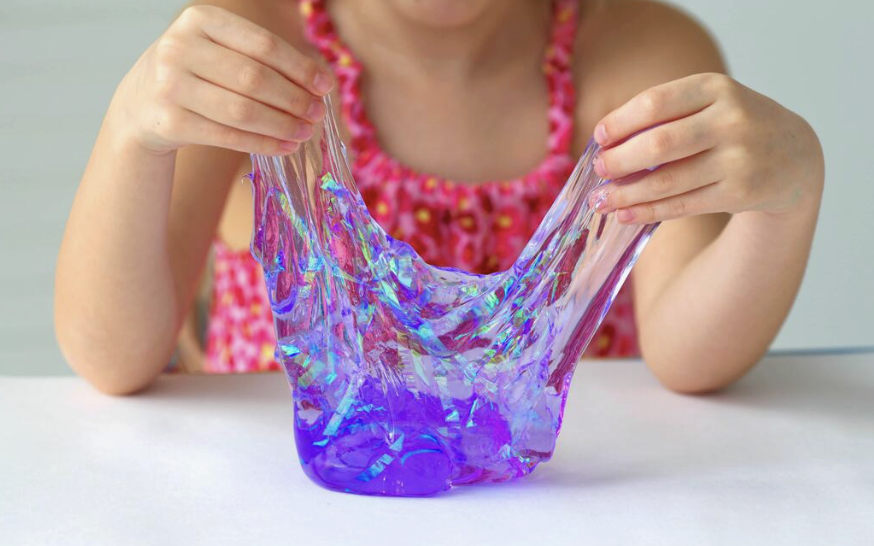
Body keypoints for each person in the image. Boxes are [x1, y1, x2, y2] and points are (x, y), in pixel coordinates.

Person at [54, 0, 824, 396]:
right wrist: (131, 129)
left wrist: (783, 205)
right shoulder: (248, 46)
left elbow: (690, 357)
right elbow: (115, 358)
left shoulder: (640, 53)